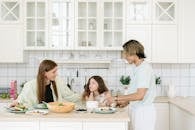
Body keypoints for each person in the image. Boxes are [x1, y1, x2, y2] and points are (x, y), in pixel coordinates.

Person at [107, 40, 156, 130]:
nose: (124, 57)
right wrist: (127, 102)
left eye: (126, 54)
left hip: (144, 112)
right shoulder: (136, 67)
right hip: (138, 110)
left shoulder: (144, 69)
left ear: (134, 53)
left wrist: (116, 98)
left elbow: (140, 95)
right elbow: (136, 92)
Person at [11, 59, 81, 107]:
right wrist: (17, 103)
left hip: (55, 117)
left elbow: (70, 96)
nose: (56, 74)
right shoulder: (30, 85)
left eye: (56, 71)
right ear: (45, 73)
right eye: (54, 72)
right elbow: (22, 101)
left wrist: (84, 95)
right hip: (37, 118)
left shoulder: (58, 82)